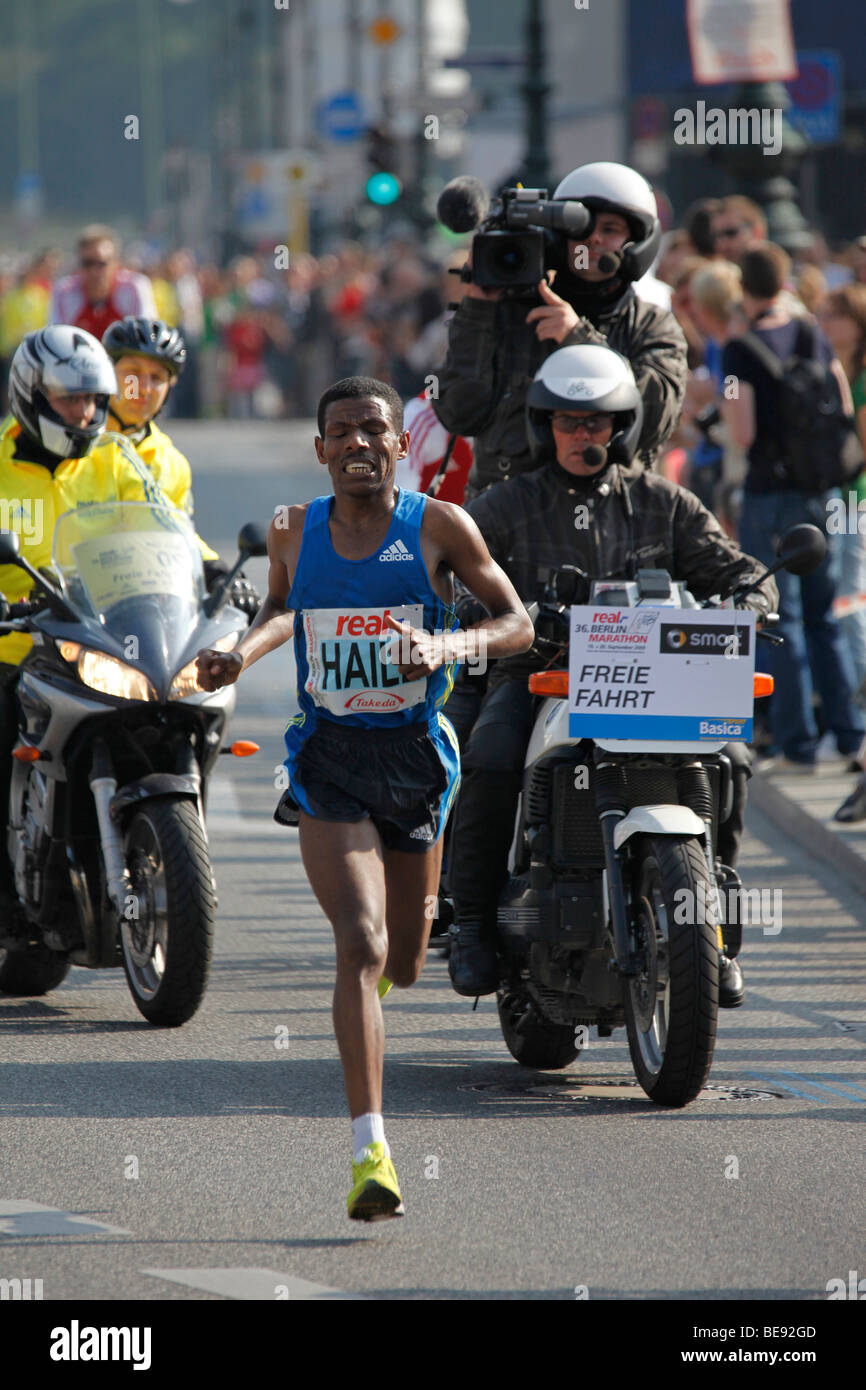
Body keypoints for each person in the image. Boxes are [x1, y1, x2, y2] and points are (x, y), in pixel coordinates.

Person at [194, 376, 533, 1222]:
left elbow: (517, 623)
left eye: (372, 429)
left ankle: (375, 993)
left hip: (417, 758)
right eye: (339, 431)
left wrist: (448, 640)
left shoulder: (440, 526)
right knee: (362, 942)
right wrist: (242, 651)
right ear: (320, 450)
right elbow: (280, 607)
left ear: (397, 444)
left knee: (409, 962)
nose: (356, 444)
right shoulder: (292, 529)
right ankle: (370, 1150)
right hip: (330, 760)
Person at [445, 344, 778, 1009]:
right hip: (539, 678)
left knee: (734, 760)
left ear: (622, 427)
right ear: (544, 426)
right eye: (567, 422)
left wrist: (744, 603)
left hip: (659, 683)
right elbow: (455, 581)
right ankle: (473, 925)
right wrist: (514, 614)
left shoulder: (665, 504)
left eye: (596, 422)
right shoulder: (504, 505)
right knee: (487, 756)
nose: (580, 435)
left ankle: (712, 937)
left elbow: (744, 575)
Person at [0, 325, 179, 917]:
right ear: (31, 394)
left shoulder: (114, 455)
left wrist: (211, 573)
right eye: (70, 399)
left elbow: (164, 524)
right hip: (14, 649)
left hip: (95, 639)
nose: (84, 412)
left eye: (94, 400)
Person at [433, 162, 688, 498]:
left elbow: (654, 419)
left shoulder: (653, 325)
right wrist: (479, 311)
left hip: (613, 519)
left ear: (637, 243)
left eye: (610, 229)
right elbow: (458, 413)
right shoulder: (508, 314)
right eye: (581, 229)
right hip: (506, 523)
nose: (594, 239)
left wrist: (580, 341)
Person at [721, 244, 865, 771]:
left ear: (745, 289)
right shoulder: (813, 332)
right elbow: (843, 403)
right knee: (826, 614)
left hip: (769, 494)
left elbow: (743, 429)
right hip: (822, 492)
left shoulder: (739, 352)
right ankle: (850, 735)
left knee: (782, 614)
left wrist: (723, 406)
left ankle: (797, 742)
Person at [100, 315, 259, 620]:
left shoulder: (171, 462)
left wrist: (219, 573)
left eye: (157, 378)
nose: (143, 388)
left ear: (171, 384)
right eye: (132, 373)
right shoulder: (72, 440)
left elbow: (175, 532)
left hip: (141, 613)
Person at [49, 225, 157, 341]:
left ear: (116, 263)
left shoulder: (135, 286)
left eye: (102, 264)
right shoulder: (64, 291)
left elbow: (147, 335)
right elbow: (56, 339)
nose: (94, 271)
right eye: (88, 263)